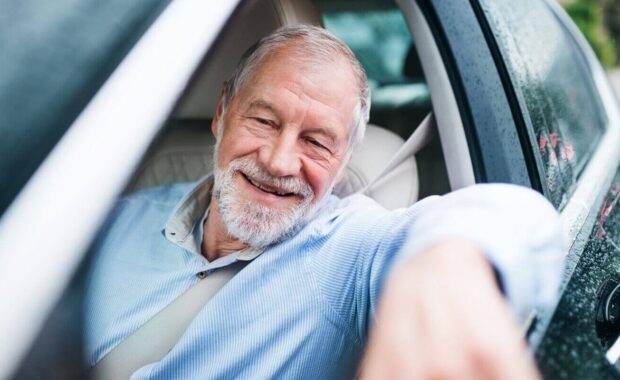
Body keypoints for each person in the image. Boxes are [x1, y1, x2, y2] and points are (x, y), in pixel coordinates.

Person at [85, 25, 565, 379]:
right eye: (264, 122)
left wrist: (447, 263)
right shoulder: (115, 217)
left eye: (316, 141)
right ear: (221, 114)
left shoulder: (351, 251)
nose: (278, 161)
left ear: (344, 160)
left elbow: (516, 215)